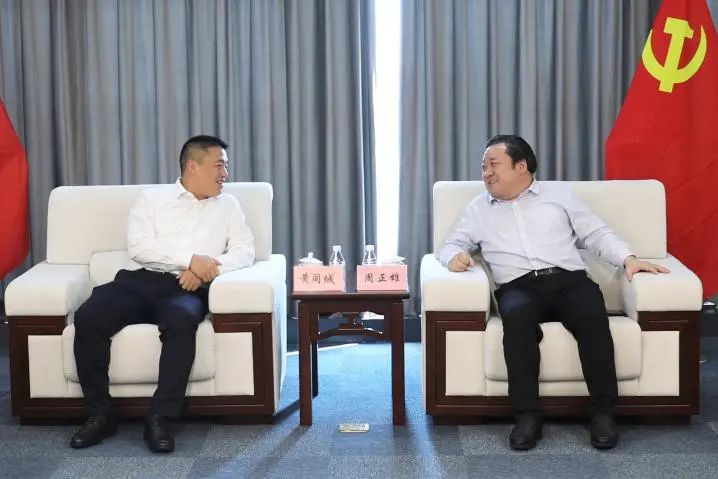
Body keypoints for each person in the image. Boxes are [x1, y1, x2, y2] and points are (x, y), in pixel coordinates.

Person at [439, 134, 669, 451]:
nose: (486, 173)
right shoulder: (478, 209)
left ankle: (603, 413)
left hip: (568, 280)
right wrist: (454, 256)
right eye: (483, 167)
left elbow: (596, 233)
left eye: (493, 164)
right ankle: (527, 416)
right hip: (517, 286)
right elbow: (451, 244)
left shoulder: (559, 195)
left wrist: (627, 258)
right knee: (516, 318)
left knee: (591, 316)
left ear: (521, 166)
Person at [69, 135, 254, 453]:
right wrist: (189, 260)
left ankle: (160, 418)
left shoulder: (229, 206)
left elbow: (245, 251)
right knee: (88, 316)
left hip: (186, 289)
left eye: (225, 167)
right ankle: (100, 415)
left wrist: (205, 269)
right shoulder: (152, 199)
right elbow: (140, 247)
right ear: (193, 166)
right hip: (139, 282)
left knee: (182, 320)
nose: (225, 174)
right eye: (219, 165)